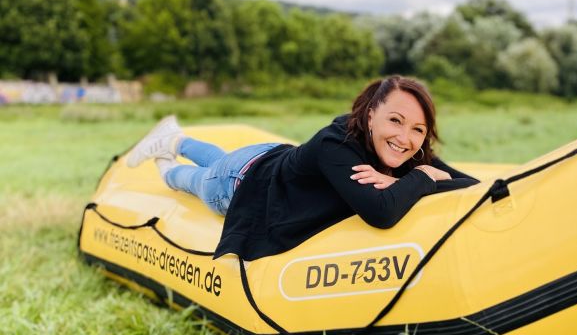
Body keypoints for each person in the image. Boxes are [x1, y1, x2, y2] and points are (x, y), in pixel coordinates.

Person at [126, 76, 479, 260]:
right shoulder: (336, 144)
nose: (406, 137)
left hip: (268, 156)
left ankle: (176, 138)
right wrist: (422, 177)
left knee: (219, 159)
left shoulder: (405, 148)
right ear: (371, 115)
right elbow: (380, 212)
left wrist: (427, 175)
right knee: (194, 179)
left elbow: (470, 185)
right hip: (244, 182)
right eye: (396, 121)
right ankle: (167, 159)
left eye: (418, 129)